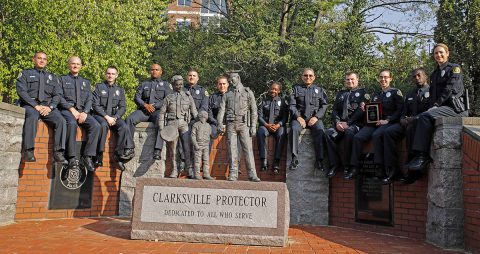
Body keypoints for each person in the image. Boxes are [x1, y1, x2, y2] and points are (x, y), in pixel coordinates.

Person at [406, 43, 468, 171]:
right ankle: (414, 156)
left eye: (441, 52)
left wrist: (436, 105)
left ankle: (423, 156)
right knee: (416, 119)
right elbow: (433, 96)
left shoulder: (454, 68)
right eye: (436, 53)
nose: (438, 55)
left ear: (447, 53)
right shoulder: (435, 74)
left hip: (455, 109)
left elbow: (450, 89)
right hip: (440, 109)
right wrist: (431, 107)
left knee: (423, 117)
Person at [346, 69, 403, 180]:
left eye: (385, 77)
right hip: (374, 124)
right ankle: (354, 167)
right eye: (381, 77)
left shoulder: (396, 92)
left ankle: (380, 168)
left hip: (388, 123)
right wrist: (365, 108)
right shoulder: (376, 95)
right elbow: (372, 111)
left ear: (390, 79)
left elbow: (400, 110)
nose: (383, 79)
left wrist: (388, 120)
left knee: (376, 135)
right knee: (358, 137)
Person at [16, 51, 67, 164]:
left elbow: (58, 94)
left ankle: (58, 152)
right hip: (31, 105)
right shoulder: (25, 74)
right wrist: (35, 106)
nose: (42, 60)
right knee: (32, 117)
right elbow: (21, 91)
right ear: (33, 59)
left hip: (47, 107)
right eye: (39, 58)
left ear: (46, 61)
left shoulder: (53, 77)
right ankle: (28, 151)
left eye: (44, 59)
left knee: (61, 120)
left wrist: (51, 107)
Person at [382, 68, 431, 184]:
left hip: (420, 125)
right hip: (407, 123)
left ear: (425, 76)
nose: (417, 78)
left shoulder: (432, 91)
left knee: (410, 130)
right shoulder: (410, 93)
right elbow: (403, 111)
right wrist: (402, 119)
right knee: (388, 132)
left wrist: (414, 119)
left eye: (419, 75)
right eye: (414, 76)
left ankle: (413, 172)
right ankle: (393, 170)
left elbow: (431, 111)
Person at [58, 56, 100, 172]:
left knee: (96, 126)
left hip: (83, 112)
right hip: (67, 110)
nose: (75, 66)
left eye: (78, 64)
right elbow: (59, 97)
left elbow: (89, 99)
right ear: (68, 65)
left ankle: (87, 156)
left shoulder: (86, 82)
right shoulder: (61, 79)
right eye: (73, 63)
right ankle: (71, 157)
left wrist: (85, 112)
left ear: (81, 66)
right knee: (71, 124)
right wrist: (72, 110)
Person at [217, 72, 261, 182]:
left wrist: (253, 126)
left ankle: (252, 174)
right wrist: (219, 123)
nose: (231, 82)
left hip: (244, 124)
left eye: (233, 79)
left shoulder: (248, 92)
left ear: (238, 78)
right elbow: (222, 110)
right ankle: (233, 173)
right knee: (232, 150)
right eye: (230, 80)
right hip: (231, 124)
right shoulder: (227, 94)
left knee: (248, 150)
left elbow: (254, 110)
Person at [325, 71, 369, 178]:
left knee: (349, 133)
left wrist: (348, 123)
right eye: (348, 79)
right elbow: (335, 110)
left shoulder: (364, 93)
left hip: (355, 124)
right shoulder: (341, 93)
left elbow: (361, 111)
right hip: (340, 124)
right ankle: (335, 164)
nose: (350, 81)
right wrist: (337, 123)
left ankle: (349, 166)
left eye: (352, 79)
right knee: (328, 134)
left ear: (357, 80)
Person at [125, 64, 172, 160]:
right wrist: (145, 105)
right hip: (143, 111)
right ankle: (129, 147)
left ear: (161, 71)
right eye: (152, 70)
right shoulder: (144, 84)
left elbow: (168, 99)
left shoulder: (166, 85)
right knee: (130, 119)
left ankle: (157, 150)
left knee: (161, 120)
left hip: (157, 111)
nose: (154, 71)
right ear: (150, 71)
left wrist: (155, 106)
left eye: (156, 69)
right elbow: (137, 97)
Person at [92, 66, 133, 171]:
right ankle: (98, 156)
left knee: (124, 126)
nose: (110, 76)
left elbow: (123, 107)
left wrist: (115, 117)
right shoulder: (99, 87)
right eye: (108, 73)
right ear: (105, 74)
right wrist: (106, 117)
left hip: (114, 116)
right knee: (103, 125)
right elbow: (95, 105)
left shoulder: (120, 90)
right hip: (100, 115)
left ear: (116, 75)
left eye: (113, 74)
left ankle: (118, 156)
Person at [289, 68, 328, 171]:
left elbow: (324, 106)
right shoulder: (295, 89)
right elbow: (292, 106)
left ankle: (319, 160)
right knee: (293, 129)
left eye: (310, 76)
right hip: (298, 118)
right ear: (302, 77)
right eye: (305, 75)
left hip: (314, 119)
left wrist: (316, 117)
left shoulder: (319, 90)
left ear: (314, 77)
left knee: (320, 130)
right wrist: (298, 117)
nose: (308, 77)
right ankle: (294, 158)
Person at [159, 75, 198, 178]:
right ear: (173, 85)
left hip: (184, 124)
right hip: (172, 124)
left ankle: (189, 169)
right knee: (173, 149)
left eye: (181, 84)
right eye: (177, 85)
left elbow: (194, 112)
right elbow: (162, 113)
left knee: (187, 147)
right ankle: (174, 170)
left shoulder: (188, 96)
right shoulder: (168, 98)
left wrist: (200, 124)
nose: (180, 86)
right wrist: (161, 128)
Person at [256, 82, 288, 174]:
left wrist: (278, 125)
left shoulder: (283, 102)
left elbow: (285, 117)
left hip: (278, 126)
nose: (272, 90)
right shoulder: (264, 101)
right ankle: (264, 160)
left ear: (279, 91)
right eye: (272, 89)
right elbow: (260, 116)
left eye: (275, 89)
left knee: (282, 133)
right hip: (266, 126)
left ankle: (276, 162)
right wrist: (266, 125)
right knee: (260, 132)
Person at [191, 111, 215, 180]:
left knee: (206, 160)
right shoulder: (196, 125)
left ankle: (206, 174)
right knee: (197, 161)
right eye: (202, 116)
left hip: (206, 145)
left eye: (205, 116)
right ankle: (197, 174)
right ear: (200, 116)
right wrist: (196, 145)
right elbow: (193, 136)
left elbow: (212, 136)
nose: (204, 117)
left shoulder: (208, 126)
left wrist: (218, 132)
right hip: (198, 145)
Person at [208, 75, 229, 139]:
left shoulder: (233, 96)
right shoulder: (213, 97)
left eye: (224, 84)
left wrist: (226, 125)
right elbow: (209, 112)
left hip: (230, 124)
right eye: (220, 84)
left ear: (227, 84)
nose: (222, 86)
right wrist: (217, 123)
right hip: (215, 123)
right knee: (211, 133)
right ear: (217, 85)